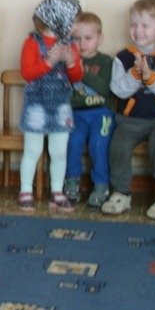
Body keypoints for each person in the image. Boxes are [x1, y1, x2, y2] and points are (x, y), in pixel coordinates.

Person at [101, 0, 155, 219]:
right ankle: (121, 193)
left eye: (145, 25)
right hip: (129, 120)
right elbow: (118, 90)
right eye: (134, 24)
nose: (138, 31)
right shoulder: (123, 57)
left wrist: (150, 76)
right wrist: (135, 75)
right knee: (118, 147)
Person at [16, 0, 83, 213]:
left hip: (61, 106)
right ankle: (26, 190)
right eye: (73, 22)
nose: (75, 27)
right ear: (58, 20)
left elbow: (76, 78)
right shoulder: (32, 43)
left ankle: (57, 192)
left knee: (59, 152)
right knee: (32, 150)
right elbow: (27, 73)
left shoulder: (71, 45)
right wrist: (50, 61)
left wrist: (71, 63)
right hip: (36, 106)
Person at [64, 12, 115, 208]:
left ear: (99, 39)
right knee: (73, 141)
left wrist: (79, 69)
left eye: (88, 38)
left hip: (101, 113)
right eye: (76, 38)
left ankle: (101, 186)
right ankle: (71, 182)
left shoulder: (106, 61)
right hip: (75, 113)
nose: (82, 43)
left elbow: (105, 88)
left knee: (98, 144)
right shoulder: (67, 61)